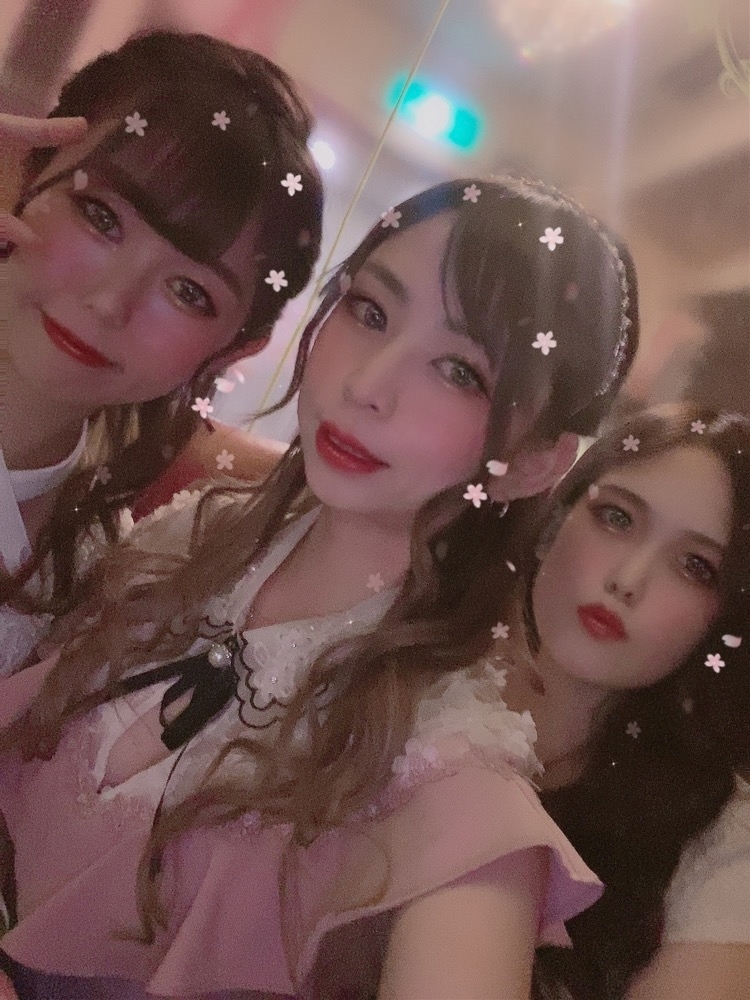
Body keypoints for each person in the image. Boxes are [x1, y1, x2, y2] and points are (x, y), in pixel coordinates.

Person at [0, 172, 638, 998]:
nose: (368, 385)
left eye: (459, 371)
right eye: (370, 311)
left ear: (535, 462)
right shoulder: (179, 540)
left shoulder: (443, 763)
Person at [0, 30, 324, 674]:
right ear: (27, 172)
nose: (110, 302)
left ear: (232, 351)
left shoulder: (105, 583)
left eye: (188, 291)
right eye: (100, 217)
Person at [487, 404, 750, 999]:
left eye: (695, 566)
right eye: (616, 517)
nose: (628, 580)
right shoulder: (405, 673)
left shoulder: (721, 846)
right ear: (556, 517)